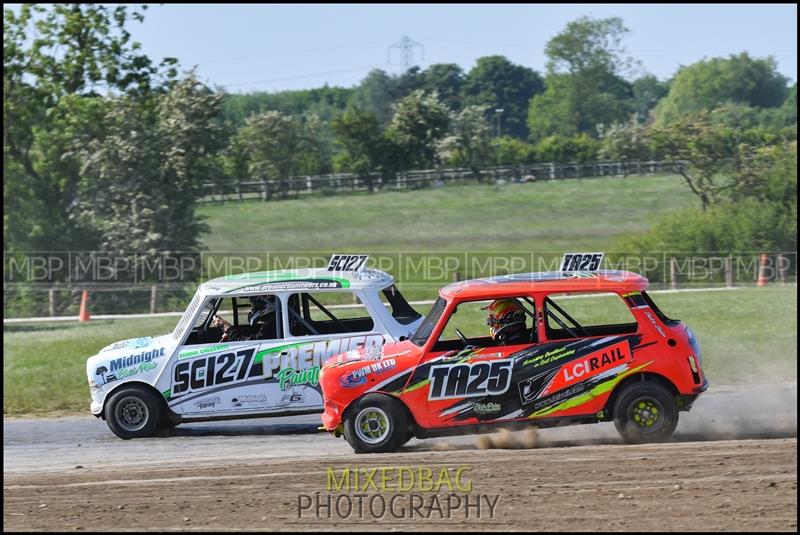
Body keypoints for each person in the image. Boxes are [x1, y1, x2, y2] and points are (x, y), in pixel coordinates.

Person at [211, 295, 278, 342]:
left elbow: (250, 344)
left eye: (255, 304)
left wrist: (226, 326)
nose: (252, 308)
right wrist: (230, 333)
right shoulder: (274, 320)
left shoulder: (273, 322)